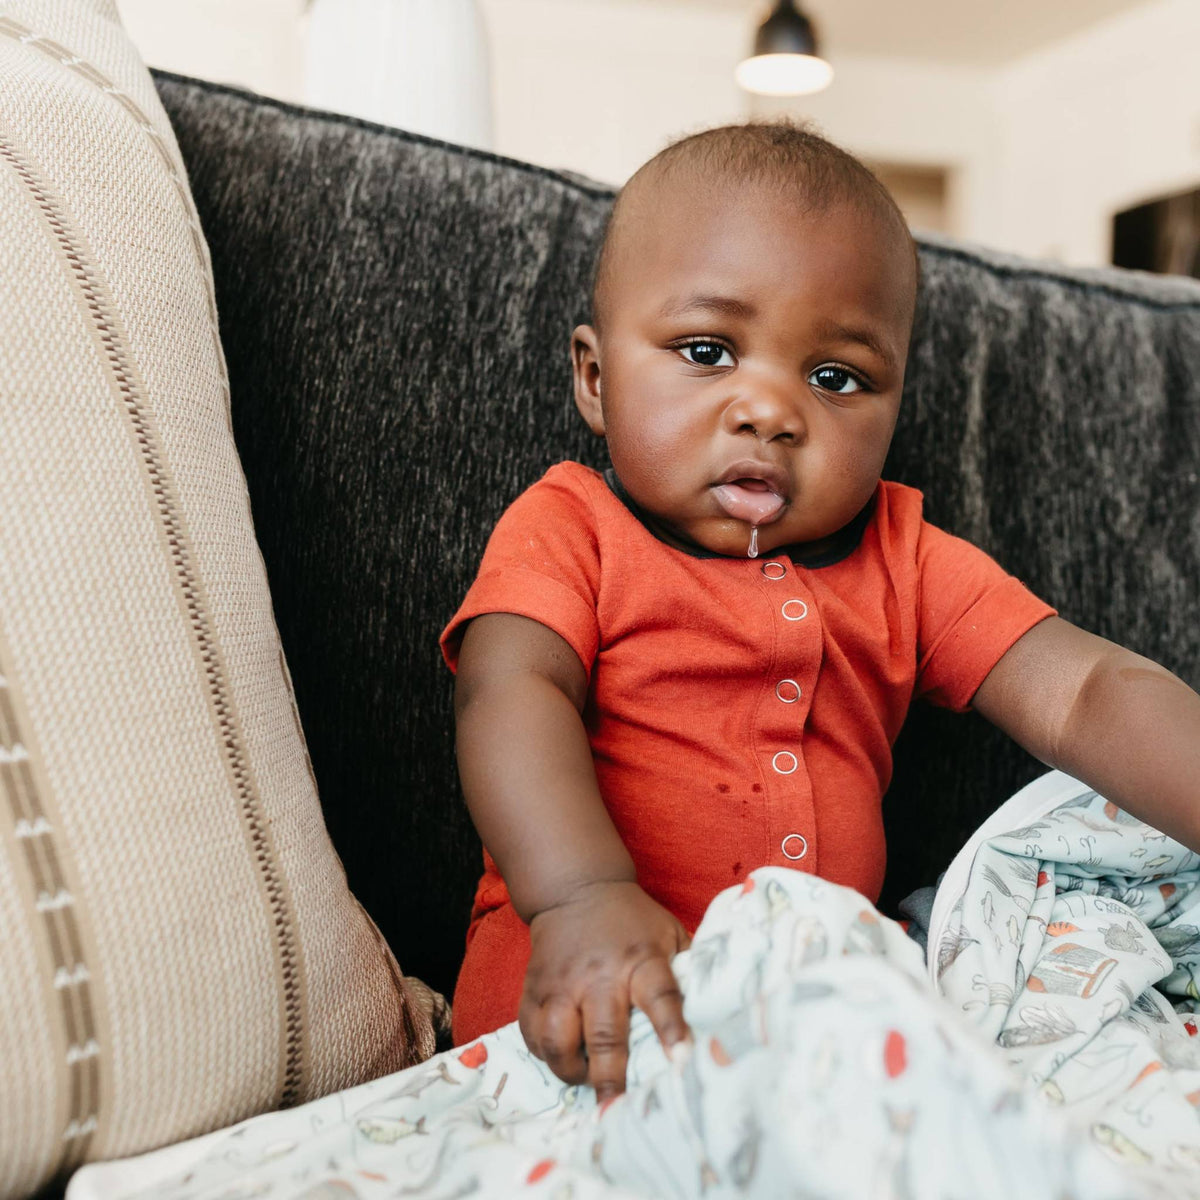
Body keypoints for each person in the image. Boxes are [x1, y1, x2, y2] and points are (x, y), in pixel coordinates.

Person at [439, 120, 1200, 1102]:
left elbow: (1086, 689)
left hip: (821, 1038)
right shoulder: (572, 527)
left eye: (834, 378)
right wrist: (580, 895)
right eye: (708, 351)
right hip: (591, 1023)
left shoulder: (905, 557)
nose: (770, 411)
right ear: (595, 378)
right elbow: (508, 692)